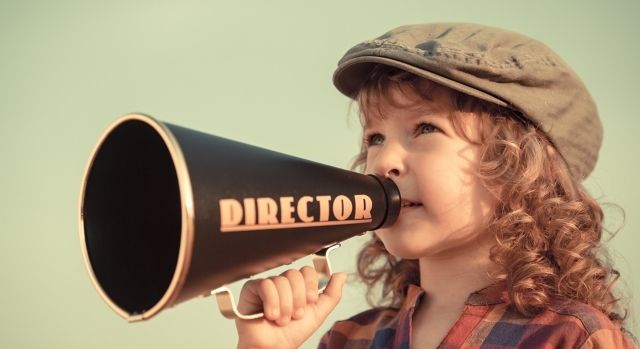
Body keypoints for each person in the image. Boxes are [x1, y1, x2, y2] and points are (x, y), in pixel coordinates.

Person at [234, 22, 636, 348]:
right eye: (375, 138)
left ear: (520, 166)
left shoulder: (570, 337)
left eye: (425, 128)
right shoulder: (349, 339)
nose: (385, 160)